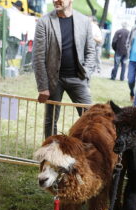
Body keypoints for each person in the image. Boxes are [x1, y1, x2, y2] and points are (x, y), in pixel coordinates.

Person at [32, 0, 95, 139]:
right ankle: (50, 154)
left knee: (90, 118)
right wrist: (43, 87)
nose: (56, 0)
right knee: (51, 120)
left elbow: (91, 51)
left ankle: (84, 151)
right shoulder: (44, 22)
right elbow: (38, 57)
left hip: (78, 78)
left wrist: (86, 76)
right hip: (54, 80)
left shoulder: (84, 21)